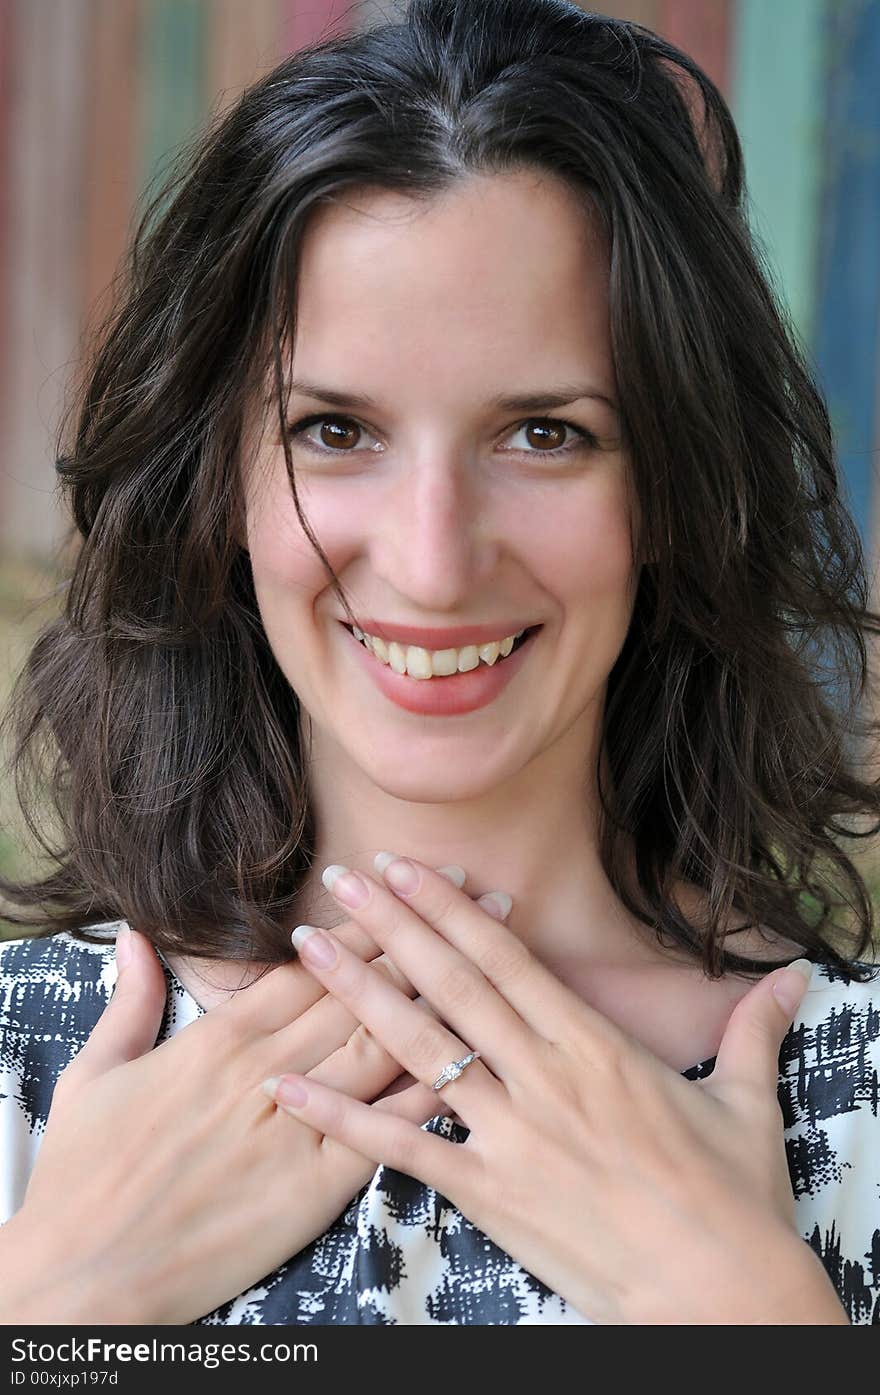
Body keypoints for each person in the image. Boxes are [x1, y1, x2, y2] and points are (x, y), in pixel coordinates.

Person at [0, 0, 878, 1326]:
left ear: (680, 489)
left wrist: (746, 1312)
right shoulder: (24, 1070)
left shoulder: (855, 1094)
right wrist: (57, 1305)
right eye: (335, 429)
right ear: (216, 484)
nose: (431, 560)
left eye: (544, 434)